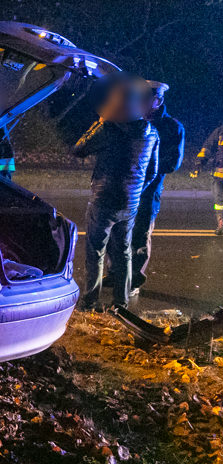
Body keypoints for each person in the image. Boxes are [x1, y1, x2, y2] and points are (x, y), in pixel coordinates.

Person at [74, 78, 159, 311]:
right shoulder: (151, 132)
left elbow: (79, 149)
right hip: (129, 203)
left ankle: (90, 301)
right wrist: (134, 191)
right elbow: (152, 171)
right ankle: (120, 303)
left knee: (96, 252)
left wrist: (100, 121)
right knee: (123, 253)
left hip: (103, 200)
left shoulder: (109, 128)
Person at [117, 81, 185, 294]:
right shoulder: (131, 121)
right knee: (118, 234)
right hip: (125, 188)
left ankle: (134, 280)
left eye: (147, 99)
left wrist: (146, 167)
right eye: (141, 99)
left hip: (149, 191)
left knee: (139, 236)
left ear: (158, 100)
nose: (142, 103)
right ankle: (116, 275)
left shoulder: (172, 127)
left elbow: (173, 162)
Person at [195, 123, 223, 234]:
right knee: (219, 203)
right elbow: (207, 148)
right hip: (219, 176)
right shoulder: (220, 131)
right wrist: (199, 163)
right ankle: (221, 223)